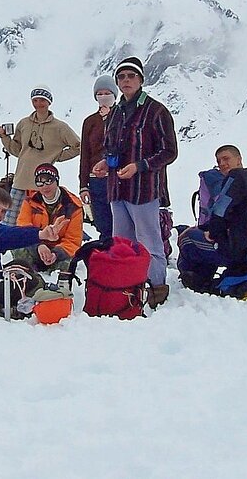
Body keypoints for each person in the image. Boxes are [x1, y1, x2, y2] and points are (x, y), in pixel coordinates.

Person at [91, 56, 177, 307]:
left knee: (149, 240)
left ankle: (157, 286)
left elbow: (169, 151)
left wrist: (139, 166)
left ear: (141, 80)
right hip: (117, 188)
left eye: (131, 76)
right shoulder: (117, 112)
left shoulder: (156, 110)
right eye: (122, 77)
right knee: (121, 242)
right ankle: (128, 282)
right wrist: (106, 162)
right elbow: (111, 145)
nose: (126, 81)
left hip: (144, 189)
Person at [177, 145, 247, 293]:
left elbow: (220, 210)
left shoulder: (235, 176)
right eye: (219, 161)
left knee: (187, 238)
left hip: (239, 249)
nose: (222, 164)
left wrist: (212, 232)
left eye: (226, 158)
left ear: (239, 159)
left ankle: (195, 280)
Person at [0, 87, 81, 225]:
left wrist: (57, 156)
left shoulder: (60, 127)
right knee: (9, 222)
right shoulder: (24, 123)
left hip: (42, 184)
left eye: (42, 100)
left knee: (37, 223)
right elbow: (17, 150)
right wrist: (4, 137)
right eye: (35, 100)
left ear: (49, 102)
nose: (38, 103)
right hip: (20, 181)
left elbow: (78, 147)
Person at [12, 163, 84, 274]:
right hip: (35, 247)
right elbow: (23, 229)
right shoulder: (30, 201)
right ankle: (31, 277)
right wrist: (38, 246)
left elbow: (73, 241)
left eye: (49, 180)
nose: (45, 186)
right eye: (40, 182)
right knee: (17, 248)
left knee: (68, 265)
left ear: (57, 180)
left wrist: (55, 254)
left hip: (58, 253)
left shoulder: (73, 206)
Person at [79, 74, 117, 238]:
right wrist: (83, 185)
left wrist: (109, 119)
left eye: (107, 92)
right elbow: (85, 154)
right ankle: (106, 257)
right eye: (99, 93)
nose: (103, 96)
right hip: (96, 180)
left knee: (121, 223)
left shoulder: (122, 117)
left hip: (117, 177)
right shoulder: (90, 122)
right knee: (103, 224)